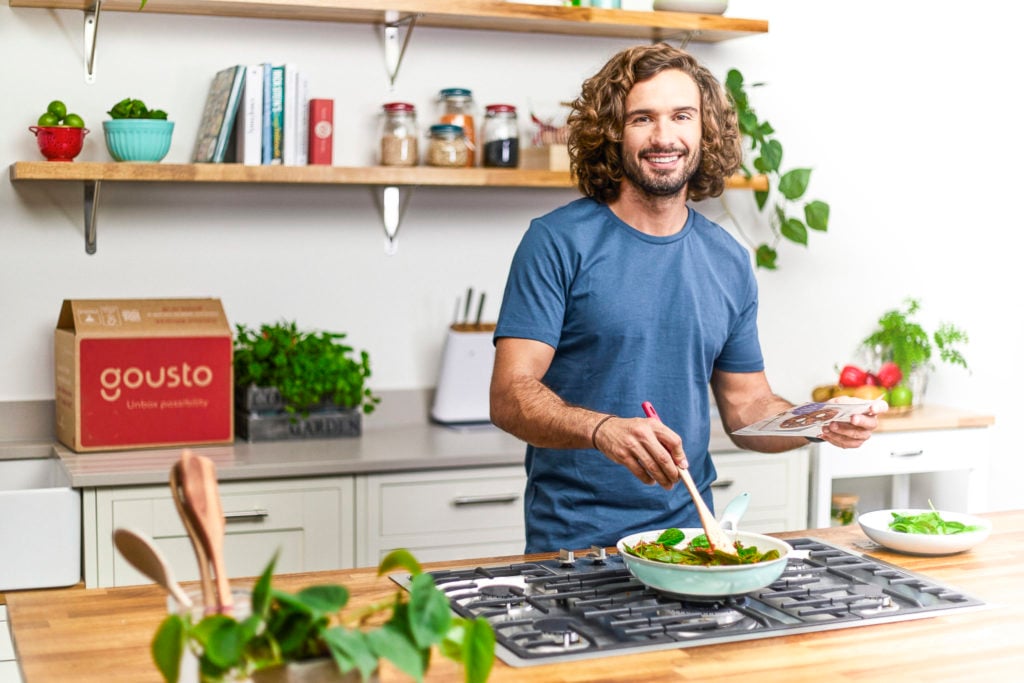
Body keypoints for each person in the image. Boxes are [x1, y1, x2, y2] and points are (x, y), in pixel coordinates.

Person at [490, 43, 886, 554]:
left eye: (682, 116)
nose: (664, 136)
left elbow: (747, 409)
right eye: (642, 118)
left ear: (705, 130)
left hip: (688, 538)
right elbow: (509, 395)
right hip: (574, 545)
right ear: (613, 133)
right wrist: (602, 430)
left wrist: (820, 422)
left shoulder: (728, 259)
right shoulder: (556, 241)